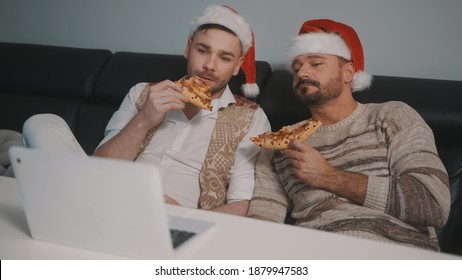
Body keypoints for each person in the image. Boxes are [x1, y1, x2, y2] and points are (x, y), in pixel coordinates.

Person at [22, 4, 271, 216]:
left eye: (224, 58)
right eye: (202, 50)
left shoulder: (251, 117)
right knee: (42, 122)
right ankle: (69, 202)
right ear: (188, 48)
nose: (209, 65)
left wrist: (184, 216)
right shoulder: (143, 92)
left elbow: (240, 204)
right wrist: (144, 120)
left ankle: (59, 200)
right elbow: (101, 166)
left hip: (173, 217)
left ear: (237, 65)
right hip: (104, 193)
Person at [247, 19, 451, 251]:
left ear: (348, 72)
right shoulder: (278, 143)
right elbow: (263, 220)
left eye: (315, 63)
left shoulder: (392, 116)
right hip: (312, 255)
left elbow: (433, 204)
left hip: (394, 254)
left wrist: (327, 176)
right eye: (296, 68)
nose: (302, 72)